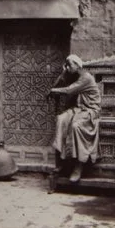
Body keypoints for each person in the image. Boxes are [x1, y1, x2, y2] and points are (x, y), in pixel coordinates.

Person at [48, 54, 101, 182]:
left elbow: (68, 90)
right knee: (61, 119)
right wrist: (63, 73)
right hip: (78, 109)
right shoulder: (74, 76)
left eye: (69, 65)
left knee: (76, 126)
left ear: (77, 65)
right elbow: (59, 84)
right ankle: (61, 163)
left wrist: (53, 91)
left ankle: (79, 166)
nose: (67, 67)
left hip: (90, 110)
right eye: (66, 65)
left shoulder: (86, 78)